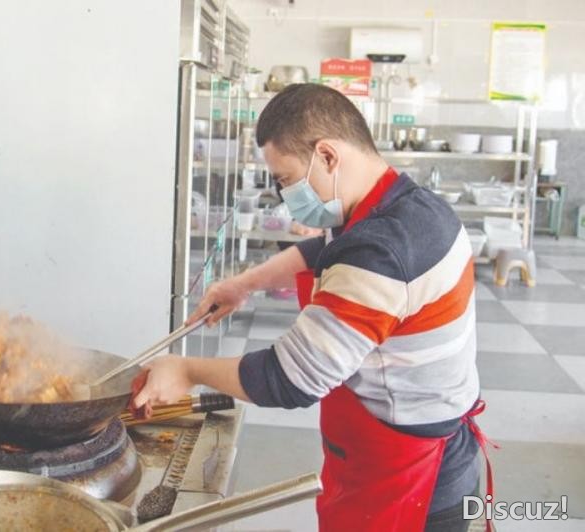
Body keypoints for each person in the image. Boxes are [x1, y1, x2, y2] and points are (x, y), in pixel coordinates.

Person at [132, 84, 489, 532]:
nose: (285, 196)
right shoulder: (405, 206)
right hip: (418, 447)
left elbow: (291, 378)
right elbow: (323, 250)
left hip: (413, 483)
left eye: (285, 179)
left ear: (327, 155)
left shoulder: (380, 251)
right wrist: (244, 284)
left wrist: (185, 370)